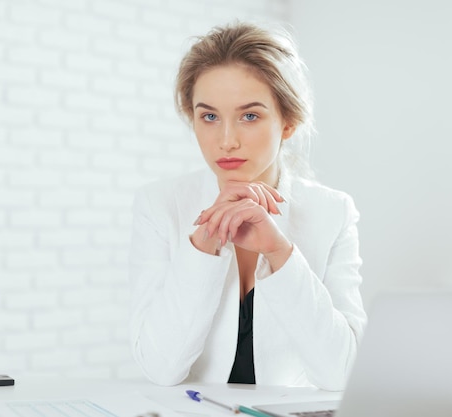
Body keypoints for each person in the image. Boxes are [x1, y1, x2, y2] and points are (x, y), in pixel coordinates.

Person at [128, 21, 367, 391]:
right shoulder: (159, 205)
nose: (226, 141)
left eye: (250, 116)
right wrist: (206, 239)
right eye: (209, 116)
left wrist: (279, 252)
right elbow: (161, 368)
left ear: (288, 122)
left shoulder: (332, 212)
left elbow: (341, 375)